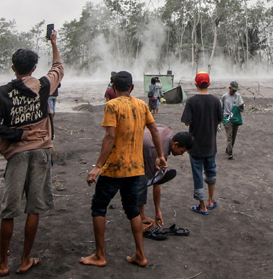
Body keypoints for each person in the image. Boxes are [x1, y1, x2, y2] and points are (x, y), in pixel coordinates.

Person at [0, 29, 63, 277]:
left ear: (13, 68)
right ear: (33, 67)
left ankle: (2, 264)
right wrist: (53, 42)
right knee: (33, 208)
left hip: (16, 154)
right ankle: (25, 259)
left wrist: (19, 135)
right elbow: (59, 66)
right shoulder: (43, 86)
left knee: (9, 210)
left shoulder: (2, 93)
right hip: (40, 153)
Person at [80, 71, 167, 268]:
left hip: (114, 167)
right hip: (136, 168)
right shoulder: (141, 104)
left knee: (99, 207)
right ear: (132, 88)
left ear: (113, 87)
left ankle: (100, 255)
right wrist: (160, 156)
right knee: (132, 210)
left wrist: (98, 166)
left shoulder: (112, 105)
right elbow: (154, 130)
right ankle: (140, 254)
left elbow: (110, 137)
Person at [181, 72, 222, 215]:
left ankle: (202, 205)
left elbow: (187, 122)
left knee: (198, 174)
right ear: (208, 84)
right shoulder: (216, 101)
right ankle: (211, 200)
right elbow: (219, 121)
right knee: (211, 171)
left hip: (195, 145)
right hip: (210, 144)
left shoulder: (192, 101)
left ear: (196, 84)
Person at [138, 126, 194, 229]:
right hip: (133, 149)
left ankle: (141, 216)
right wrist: (157, 211)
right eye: (181, 151)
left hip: (141, 141)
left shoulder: (169, 133)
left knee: (142, 181)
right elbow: (155, 182)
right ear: (175, 144)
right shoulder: (157, 153)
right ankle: (137, 221)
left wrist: (158, 211)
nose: (181, 155)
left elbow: (158, 180)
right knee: (141, 183)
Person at [221, 81, 245, 160]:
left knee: (233, 136)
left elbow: (242, 109)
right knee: (229, 136)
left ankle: (228, 148)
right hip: (227, 118)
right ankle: (230, 152)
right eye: (233, 90)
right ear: (229, 88)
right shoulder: (224, 96)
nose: (234, 91)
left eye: (235, 90)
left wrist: (241, 106)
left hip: (235, 118)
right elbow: (221, 108)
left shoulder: (238, 96)